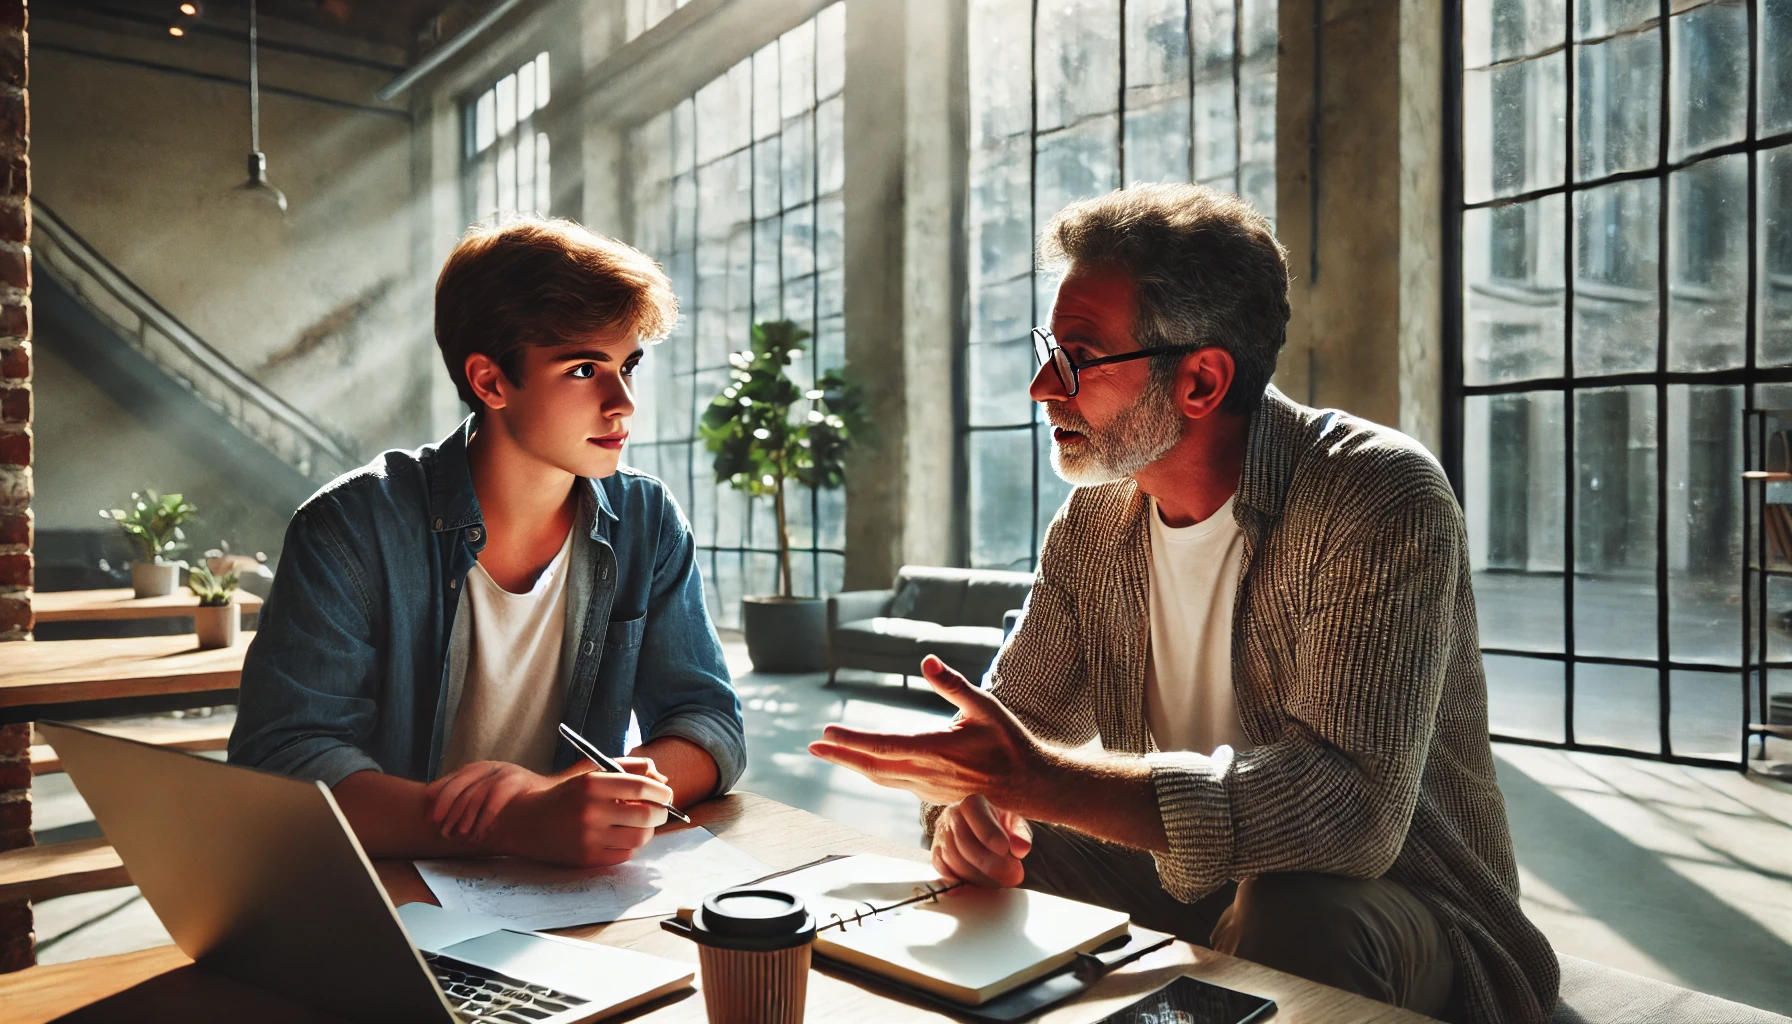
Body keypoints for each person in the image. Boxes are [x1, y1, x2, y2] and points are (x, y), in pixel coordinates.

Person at [808, 183, 1556, 1024]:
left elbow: (1351, 815)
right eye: (1048, 347)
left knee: (1293, 909)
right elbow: (1013, 728)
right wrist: (967, 808)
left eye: (1078, 357)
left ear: (1200, 380)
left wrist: (1035, 778)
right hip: (1193, 877)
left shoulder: (1374, 492)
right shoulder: (1096, 517)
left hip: (1403, 906)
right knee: (1018, 829)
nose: (1041, 386)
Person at [230, 217, 744, 869]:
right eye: (586, 369)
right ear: (491, 381)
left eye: (627, 365)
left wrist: (565, 800)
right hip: (384, 894)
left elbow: (707, 725)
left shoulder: (646, 519)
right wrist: (509, 824)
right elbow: (285, 764)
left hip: (564, 888)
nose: (623, 404)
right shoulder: (350, 529)